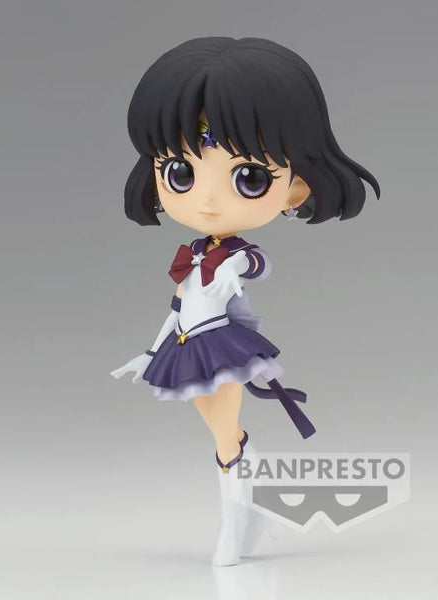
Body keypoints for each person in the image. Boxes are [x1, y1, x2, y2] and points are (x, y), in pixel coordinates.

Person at [110, 37, 380, 566]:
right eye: (180, 172)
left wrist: (234, 267)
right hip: (187, 345)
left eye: (248, 178)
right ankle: (247, 499)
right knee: (221, 430)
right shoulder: (191, 257)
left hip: (222, 348)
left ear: (296, 188)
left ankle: (235, 521)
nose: (208, 202)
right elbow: (177, 309)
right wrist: (148, 353)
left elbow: (254, 264)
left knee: (224, 436)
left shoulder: (234, 255)